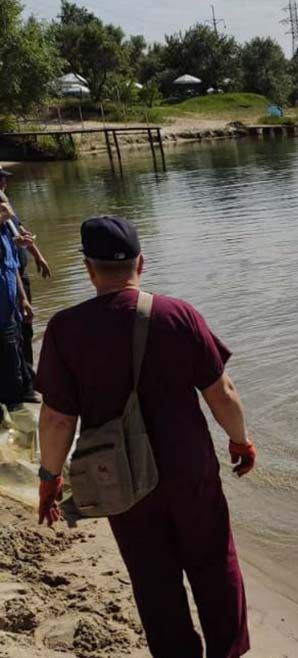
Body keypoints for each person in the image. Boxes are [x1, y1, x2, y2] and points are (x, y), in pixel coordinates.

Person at [34, 216, 257, 658]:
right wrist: (240, 440)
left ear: (88, 269)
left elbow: (58, 419)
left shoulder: (65, 329)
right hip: (189, 469)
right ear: (142, 262)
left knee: (153, 578)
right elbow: (222, 393)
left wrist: (49, 476)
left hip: (120, 477)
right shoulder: (179, 315)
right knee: (214, 563)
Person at [0, 167, 52, 404]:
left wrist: (38, 256)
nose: (4, 185)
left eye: (3, 181)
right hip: (6, 292)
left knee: (24, 331)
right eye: (1, 181)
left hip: (16, 280)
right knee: (11, 342)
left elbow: (20, 235)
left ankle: (27, 380)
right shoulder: (3, 216)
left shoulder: (8, 215)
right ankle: (21, 389)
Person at [0, 203, 34, 411]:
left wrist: (23, 299)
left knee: (14, 369)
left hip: (9, 313)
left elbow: (11, 268)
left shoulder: (5, 231)